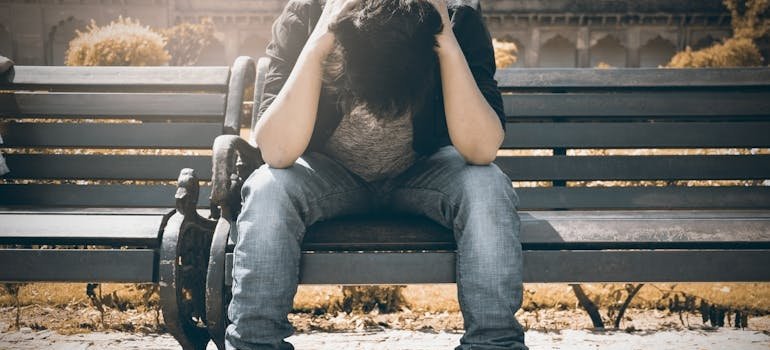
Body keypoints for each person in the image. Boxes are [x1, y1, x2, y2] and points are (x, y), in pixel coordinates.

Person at [226, 0, 527, 349]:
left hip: (423, 172)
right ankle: (256, 344)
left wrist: (445, 38)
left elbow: (481, 150)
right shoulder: (307, 14)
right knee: (268, 188)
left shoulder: (457, 19)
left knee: (487, 185)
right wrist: (321, 39)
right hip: (330, 175)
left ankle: (493, 344)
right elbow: (277, 152)